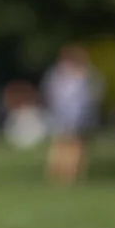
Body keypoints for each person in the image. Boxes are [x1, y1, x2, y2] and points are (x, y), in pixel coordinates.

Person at [42, 45, 103, 184]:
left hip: (79, 113)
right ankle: (60, 173)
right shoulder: (59, 73)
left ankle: (71, 173)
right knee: (64, 143)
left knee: (75, 143)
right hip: (65, 112)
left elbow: (94, 93)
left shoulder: (86, 73)